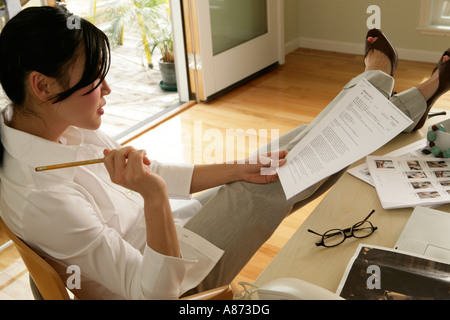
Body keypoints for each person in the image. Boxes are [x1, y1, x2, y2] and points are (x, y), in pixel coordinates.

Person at [0, 6, 447, 300]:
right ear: (42, 86)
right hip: (171, 281)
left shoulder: (52, 127)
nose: (108, 90)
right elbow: (152, 292)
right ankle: (389, 89)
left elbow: (158, 172)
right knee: (284, 175)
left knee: (275, 155)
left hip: (170, 230)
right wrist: (154, 196)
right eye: (95, 80)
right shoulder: (42, 197)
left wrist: (237, 166)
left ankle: (402, 97)